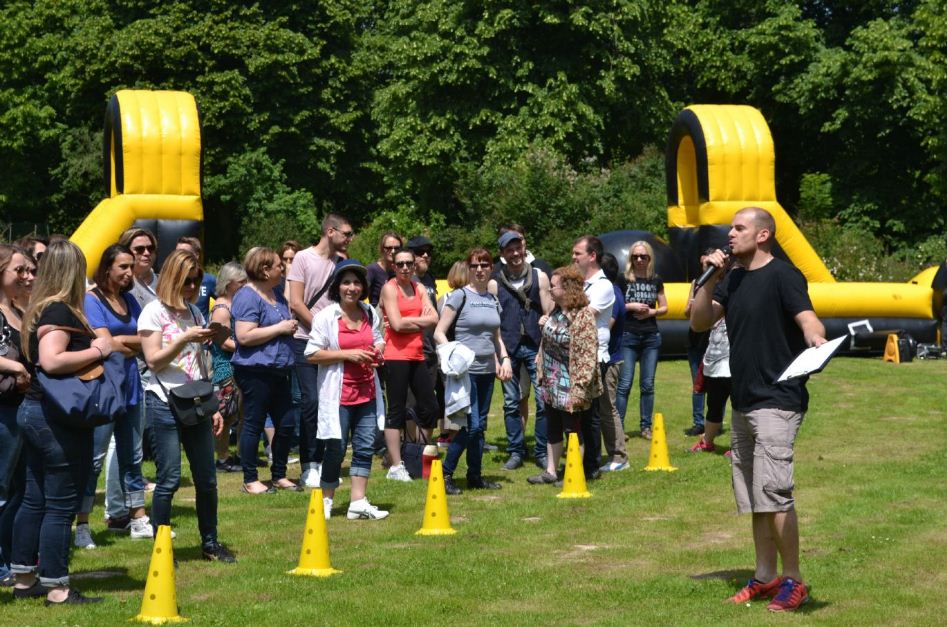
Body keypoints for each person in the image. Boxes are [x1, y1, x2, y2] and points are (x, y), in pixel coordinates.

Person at [690, 206, 826, 612]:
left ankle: (795, 579)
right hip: (743, 400)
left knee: (775, 493)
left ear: (762, 235)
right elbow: (698, 322)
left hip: (777, 400)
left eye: (738, 228)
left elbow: (807, 318)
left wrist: (816, 339)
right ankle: (766, 576)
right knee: (753, 496)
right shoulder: (731, 280)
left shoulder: (783, 275)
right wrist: (710, 277)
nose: (730, 234)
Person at [11, 240, 112, 605]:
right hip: (55, 419)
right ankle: (57, 586)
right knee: (59, 504)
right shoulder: (58, 310)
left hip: (37, 412)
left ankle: (24, 579)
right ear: (72, 271)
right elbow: (51, 361)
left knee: (35, 500)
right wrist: (99, 349)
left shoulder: (38, 308)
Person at [138, 250, 235, 562]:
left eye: (196, 281)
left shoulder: (194, 312)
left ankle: (210, 543)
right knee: (167, 479)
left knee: (206, 478)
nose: (193, 287)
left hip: (196, 400)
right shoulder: (152, 313)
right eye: (186, 281)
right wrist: (183, 339)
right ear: (172, 279)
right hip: (163, 400)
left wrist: (214, 406)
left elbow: (200, 363)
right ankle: (163, 549)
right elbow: (153, 360)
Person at [74, 245, 152, 549]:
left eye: (131, 267)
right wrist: (124, 342)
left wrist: (123, 341)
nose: (129, 273)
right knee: (93, 460)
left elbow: (145, 340)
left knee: (133, 457)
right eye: (123, 267)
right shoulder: (91, 300)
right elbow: (105, 342)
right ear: (107, 268)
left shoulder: (129, 299)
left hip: (132, 386)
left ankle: (137, 519)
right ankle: (82, 525)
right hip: (103, 389)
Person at [305, 260, 388, 520]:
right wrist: (348, 354)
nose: (351, 288)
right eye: (346, 282)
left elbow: (378, 338)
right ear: (337, 287)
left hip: (367, 393)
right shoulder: (326, 317)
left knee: (364, 447)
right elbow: (312, 353)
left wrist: (378, 351)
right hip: (338, 395)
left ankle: (358, 502)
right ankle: (326, 500)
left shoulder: (369, 312)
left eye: (356, 283)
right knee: (336, 449)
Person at [433, 248, 512, 495]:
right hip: (465, 373)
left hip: (488, 371)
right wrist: (454, 357)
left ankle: (474, 476)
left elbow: (496, 336)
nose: (480, 269)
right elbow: (439, 332)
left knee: (480, 427)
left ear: (491, 268)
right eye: (475, 265)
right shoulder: (459, 296)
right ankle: (445, 473)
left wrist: (504, 358)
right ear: (468, 267)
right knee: (472, 426)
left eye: (484, 265)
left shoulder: (492, 299)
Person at [287, 213, 351, 488]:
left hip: (334, 343)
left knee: (332, 403)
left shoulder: (342, 264)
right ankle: (308, 464)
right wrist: (321, 330)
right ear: (330, 231)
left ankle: (327, 459)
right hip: (306, 339)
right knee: (311, 401)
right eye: (347, 233)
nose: (350, 239)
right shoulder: (302, 258)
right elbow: (296, 303)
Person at [231, 248, 300, 494]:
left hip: (279, 369)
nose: (282, 269)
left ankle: (279, 474)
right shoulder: (247, 296)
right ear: (264, 269)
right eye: (279, 265)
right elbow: (244, 336)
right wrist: (280, 328)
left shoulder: (276, 292)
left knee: (287, 423)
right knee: (253, 423)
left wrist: (287, 327)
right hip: (255, 371)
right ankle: (250, 479)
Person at [527, 267, 600, 485]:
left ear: (567, 288)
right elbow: (549, 341)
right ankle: (550, 471)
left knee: (573, 429)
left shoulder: (583, 315)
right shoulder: (556, 311)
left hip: (571, 383)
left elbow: (588, 354)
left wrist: (579, 388)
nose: (549, 289)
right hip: (552, 381)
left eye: (553, 285)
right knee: (553, 426)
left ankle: (573, 472)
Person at [490, 230, 552, 471]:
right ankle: (516, 451)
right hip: (509, 348)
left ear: (524, 248)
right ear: (503, 254)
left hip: (537, 346)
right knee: (510, 403)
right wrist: (500, 355)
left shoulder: (540, 277)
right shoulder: (495, 282)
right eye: (509, 249)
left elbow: (549, 313)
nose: (515, 253)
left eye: (518, 248)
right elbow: (494, 322)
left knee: (543, 401)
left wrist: (544, 348)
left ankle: (541, 451)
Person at [380, 248, 439, 480]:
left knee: (431, 406)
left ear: (415, 266)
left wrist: (409, 322)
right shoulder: (389, 288)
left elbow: (434, 318)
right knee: (396, 410)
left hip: (417, 355)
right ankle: (396, 466)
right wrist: (420, 322)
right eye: (400, 264)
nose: (405, 267)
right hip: (395, 356)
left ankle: (417, 453)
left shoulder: (419, 288)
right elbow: (395, 325)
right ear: (393, 266)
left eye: (409, 263)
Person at [0, 246, 34, 586]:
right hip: (3, 412)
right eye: (19, 271)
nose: (27, 277)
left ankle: (13, 558)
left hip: (21, 410)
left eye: (29, 270)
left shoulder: (18, 312)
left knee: (22, 491)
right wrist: (17, 368)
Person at [615, 240, 667, 442]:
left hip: (650, 336)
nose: (639, 260)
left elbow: (665, 307)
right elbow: (616, 304)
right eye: (635, 256)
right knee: (624, 384)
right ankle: (619, 427)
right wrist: (631, 306)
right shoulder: (623, 279)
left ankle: (646, 427)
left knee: (648, 385)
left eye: (643, 256)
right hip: (628, 335)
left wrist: (651, 312)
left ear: (649, 258)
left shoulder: (656, 279)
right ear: (630, 259)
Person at [571, 235, 614, 480]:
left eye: (577, 253)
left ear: (592, 256)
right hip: (575, 356)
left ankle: (591, 465)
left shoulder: (603, 285)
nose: (573, 258)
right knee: (575, 412)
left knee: (590, 414)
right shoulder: (578, 283)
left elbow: (584, 314)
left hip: (594, 357)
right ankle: (578, 460)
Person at [209, 262, 247, 471]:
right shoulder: (222, 309)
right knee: (226, 414)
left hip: (237, 364)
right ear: (229, 283)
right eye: (241, 282)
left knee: (240, 412)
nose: (244, 285)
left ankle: (240, 454)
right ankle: (222, 458)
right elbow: (223, 342)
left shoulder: (233, 304)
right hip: (226, 367)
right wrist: (248, 347)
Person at [597, 252, 629, 472]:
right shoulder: (612, 291)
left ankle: (619, 456)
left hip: (611, 361)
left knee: (609, 410)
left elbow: (604, 327)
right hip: (608, 359)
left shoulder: (613, 294)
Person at [434, 261, 468, 447]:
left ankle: (445, 433)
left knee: (445, 393)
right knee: (456, 394)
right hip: (454, 353)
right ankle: (453, 435)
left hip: (443, 352)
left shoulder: (443, 297)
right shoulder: (457, 298)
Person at [689, 316, 731, 453]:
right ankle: (707, 442)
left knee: (740, 409)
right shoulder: (716, 304)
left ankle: (740, 447)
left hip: (734, 364)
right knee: (714, 407)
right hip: (714, 364)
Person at [367, 232, 402, 307]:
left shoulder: (403, 270)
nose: (393, 251)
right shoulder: (372, 270)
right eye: (389, 248)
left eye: (397, 248)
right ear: (382, 249)